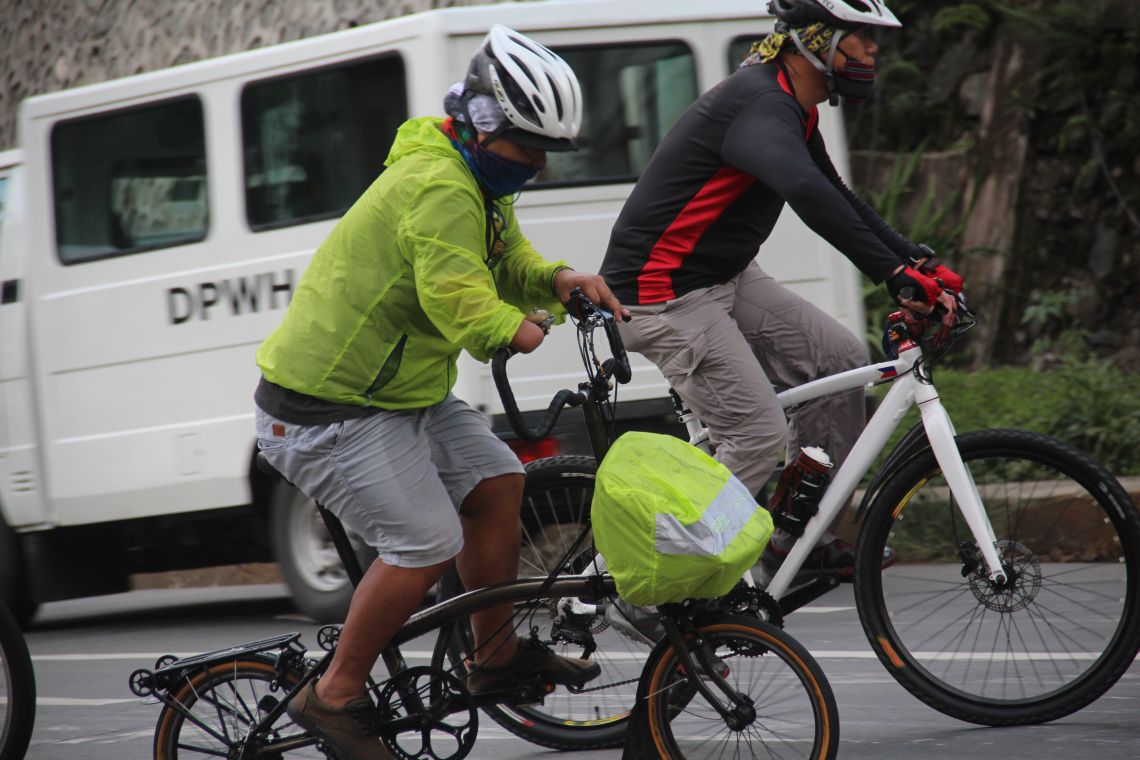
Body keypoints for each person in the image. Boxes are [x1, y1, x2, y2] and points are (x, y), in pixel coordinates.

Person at [254, 25, 626, 760]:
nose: (540, 167)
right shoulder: (437, 185)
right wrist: (508, 328)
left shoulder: (477, 179)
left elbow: (501, 252)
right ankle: (331, 695)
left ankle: (491, 660)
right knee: (425, 542)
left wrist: (555, 278)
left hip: (397, 394)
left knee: (497, 485)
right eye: (531, 150)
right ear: (483, 124)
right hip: (327, 409)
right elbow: (454, 290)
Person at [599, 0, 964, 611]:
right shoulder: (761, 104)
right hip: (661, 294)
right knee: (757, 434)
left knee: (840, 359)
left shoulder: (793, 107)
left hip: (725, 277)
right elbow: (802, 193)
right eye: (862, 39)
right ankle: (668, 594)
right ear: (817, 39)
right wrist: (894, 277)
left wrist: (913, 261)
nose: (873, 53)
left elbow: (837, 196)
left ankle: (795, 535)